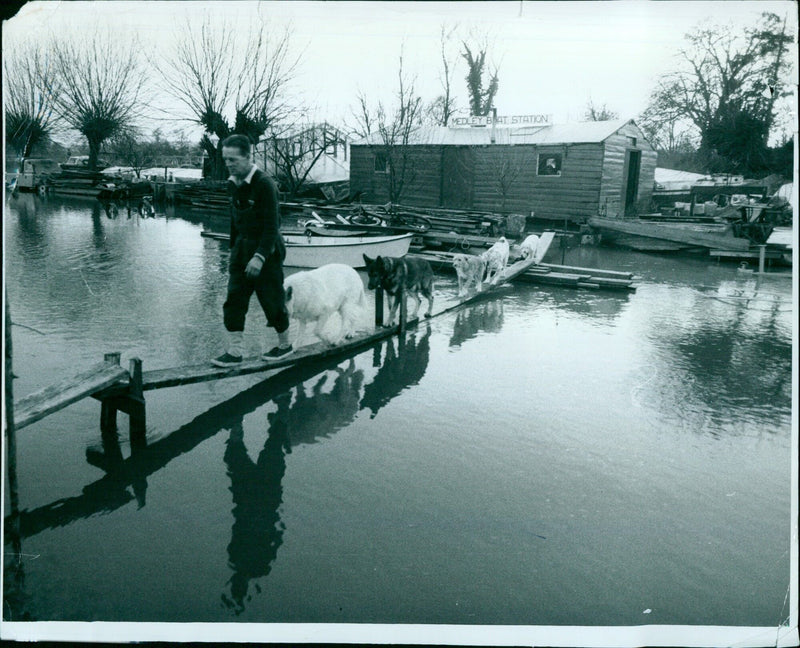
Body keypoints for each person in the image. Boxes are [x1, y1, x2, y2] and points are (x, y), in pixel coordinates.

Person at [211, 134, 292, 367]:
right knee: (234, 300)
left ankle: (284, 345)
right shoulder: (232, 183)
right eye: (225, 159)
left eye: (233, 160)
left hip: (266, 251)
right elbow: (234, 221)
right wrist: (232, 252)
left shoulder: (265, 184)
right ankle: (235, 352)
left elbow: (272, 226)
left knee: (272, 301)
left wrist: (259, 257)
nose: (228, 164)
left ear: (248, 157)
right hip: (241, 250)